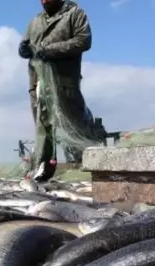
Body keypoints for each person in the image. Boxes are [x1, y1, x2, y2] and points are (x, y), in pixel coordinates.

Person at [18, 0, 105, 181]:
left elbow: (83, 40)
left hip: (64, 83)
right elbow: (26, 46)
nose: (44, 1)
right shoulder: (35, 21)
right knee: (43, 129)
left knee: (73, 126)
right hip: (38, 83)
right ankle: (42, 173)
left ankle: (87, 173)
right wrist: (23, 49)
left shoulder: (75, 13)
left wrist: (49, 50)